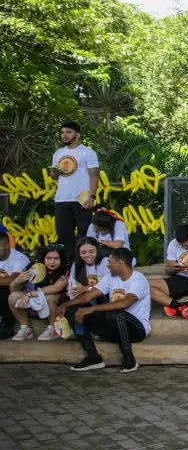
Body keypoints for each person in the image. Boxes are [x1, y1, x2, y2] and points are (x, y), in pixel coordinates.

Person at [57, 248, 150, 373]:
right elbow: (88, 296)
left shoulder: (138, 279)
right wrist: (66, 304)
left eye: (110, 261)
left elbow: (125, 303)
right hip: (113, 329)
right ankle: (92, 357)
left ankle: (129, 358)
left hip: (136, 330)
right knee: (74, 311)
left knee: (116, 314)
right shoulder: (110, 277)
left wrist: (93, 308)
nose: (107, 264)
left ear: (120, 262)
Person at [50, 122, 100, 253]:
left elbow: (94, 175)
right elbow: (54, 176)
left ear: (77, 135)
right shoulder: (58, 153)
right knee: (64, 235)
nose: (64, 135)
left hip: (82, 199)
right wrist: (55, 172)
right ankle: (68, 269)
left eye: (68, 132)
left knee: (84, 235)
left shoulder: (88, 152)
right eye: (62, 132)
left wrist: (92, 197)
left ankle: (83, 269)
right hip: (62, 199)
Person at [8, 246, 68, 341]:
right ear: (43, 258)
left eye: (56, 258)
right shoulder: (35, 266)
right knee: (13, 297)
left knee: (50, 297)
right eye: (49, 258)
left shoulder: (65, 269)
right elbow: (12, 288)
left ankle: (53, 328)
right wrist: (17, 281)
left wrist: (29, 295)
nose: (52, 262)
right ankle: (26, 328)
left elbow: (56, 288)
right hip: (35, 300)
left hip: (56, 302)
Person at [0, 238, 31, 339]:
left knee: (3, 289)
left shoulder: (19, 258)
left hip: (20, 293)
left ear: (7, 246)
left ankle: (5, 326)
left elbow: (14, 280)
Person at [67, 237, 110, 302]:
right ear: (79, 253)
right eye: (83, 253)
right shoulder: (76, 264)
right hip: (83, 300)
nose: (87, 255)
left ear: (97, 250)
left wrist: (85, 289)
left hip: (103, 300)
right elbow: (72, 283)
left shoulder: (105, 262)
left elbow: (107, 286)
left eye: (91, 252)